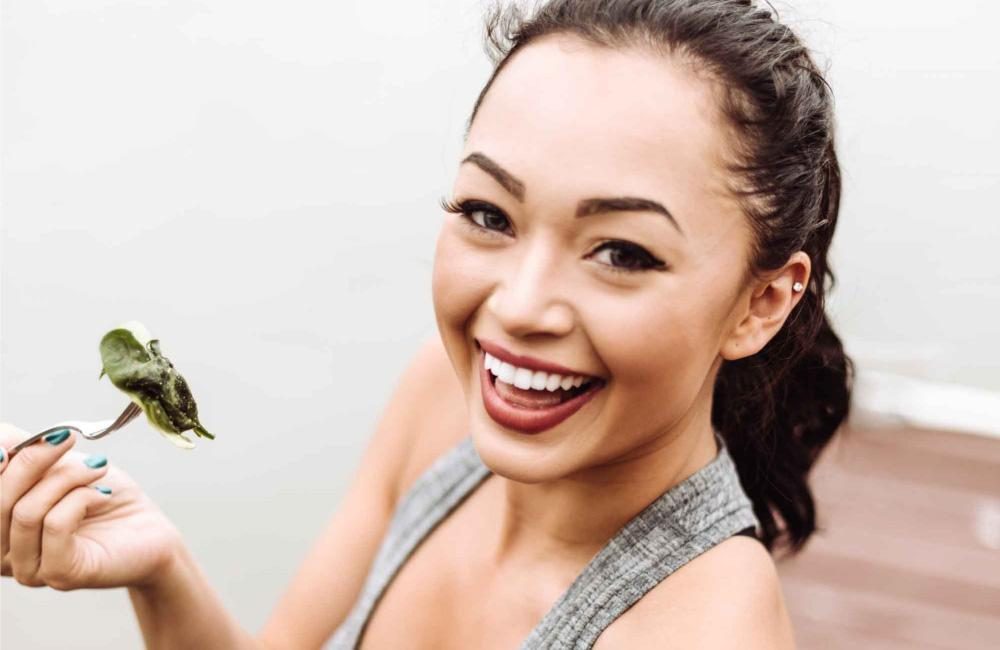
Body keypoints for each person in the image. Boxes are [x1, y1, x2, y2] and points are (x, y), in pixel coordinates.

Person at [0, 0, 852, 647]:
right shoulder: (446, 406)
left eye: (622, 253)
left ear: (761, 302)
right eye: (489, 214)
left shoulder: (699, 629)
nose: (518, 308)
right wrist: (158, 567)